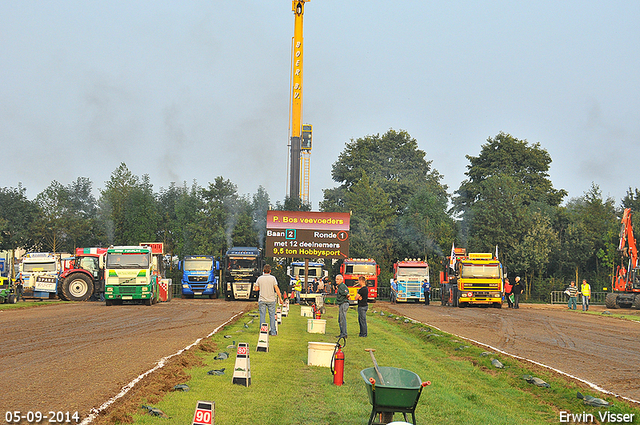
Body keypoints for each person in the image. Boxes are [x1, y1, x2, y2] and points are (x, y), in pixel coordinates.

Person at [254, 264, 283, 336]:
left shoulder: (259, 278)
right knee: (272, 316)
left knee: (262, 316)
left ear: (263, 271)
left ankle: (262, 331)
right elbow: (276, 289)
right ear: (270, 271)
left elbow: (256, 289)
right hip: (271, 300)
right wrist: (280, 298)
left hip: (262, 299)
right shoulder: (273, 278)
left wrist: (262, 287)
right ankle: (273, 331)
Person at [335, 274, 350, 338]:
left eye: (338, 279)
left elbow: (347, 293)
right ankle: (342, 333)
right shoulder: (339, 286)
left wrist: (347, 297)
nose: (336, 280)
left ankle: (344, 334)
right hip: (341, 303)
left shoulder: (343, 286)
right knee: (340, 319)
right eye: (336, 279)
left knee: (342, 319)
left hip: (344, 303)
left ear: (341, 280)